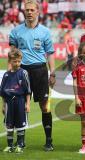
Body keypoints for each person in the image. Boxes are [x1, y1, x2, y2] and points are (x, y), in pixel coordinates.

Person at [8, 0, 56, 151]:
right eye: (26, 10)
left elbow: (50, 53)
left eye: (32, 10)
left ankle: (49, 140)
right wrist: (10, 73)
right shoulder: (16, 31)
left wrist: (52, 72)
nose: (29, 12)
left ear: (38, 12)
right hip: (22, 71)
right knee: (20, 106)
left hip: (40, 71)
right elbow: (12, 54)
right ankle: (20, 141)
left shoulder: (45, 32)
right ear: (24, 12)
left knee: (44, 106)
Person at [0, 49, 31, 153]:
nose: (17, 63)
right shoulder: (6, 75)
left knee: (20, 124)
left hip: (20, 102)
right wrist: (3, 105)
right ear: (10, 61)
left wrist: (28, 104)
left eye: (19, 61)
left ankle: (20, 145)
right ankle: (9, 146)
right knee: (9, 124)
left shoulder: (23, 73)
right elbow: (3, 92)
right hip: (9, 103)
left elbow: (28, 90)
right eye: (14, 61)